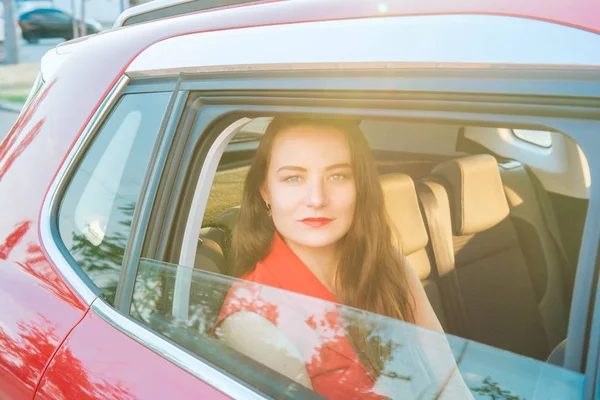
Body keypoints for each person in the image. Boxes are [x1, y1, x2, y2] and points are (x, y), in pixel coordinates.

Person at [213, 116, 447, 399]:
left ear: (360, 186)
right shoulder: (253, 320)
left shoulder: (389, 264)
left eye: (337, 176)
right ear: (265, 191)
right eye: (293, 178)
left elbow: (447, 379)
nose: (316, 198)